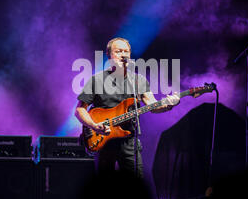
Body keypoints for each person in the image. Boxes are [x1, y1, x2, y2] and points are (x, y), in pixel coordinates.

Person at [75, 37, 180, 178]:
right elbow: (80, 110)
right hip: (103, 140)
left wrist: (168, 105)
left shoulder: (138, 81)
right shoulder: (97, 80)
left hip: (129, 141)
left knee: (136, 186)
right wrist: (94, 125)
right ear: (109, 55)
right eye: (118, 51)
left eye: (126, 51)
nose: (123, 55)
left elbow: (153, 106)